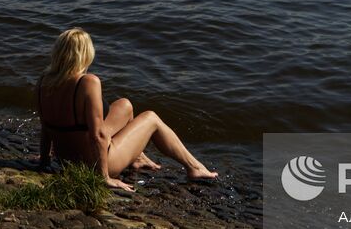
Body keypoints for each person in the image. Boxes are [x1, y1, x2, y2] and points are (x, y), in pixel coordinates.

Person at [36, 27, 217, 192]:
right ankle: (194, 167)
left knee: (125, 105)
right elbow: (97, 135)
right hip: (91, 163)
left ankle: (137, 158)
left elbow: (46, 127)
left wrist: (45, 162)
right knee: (151, 118)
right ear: (84, 54)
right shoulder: (87, 82)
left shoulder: (44, 80)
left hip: (66, 160)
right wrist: (104, 177)